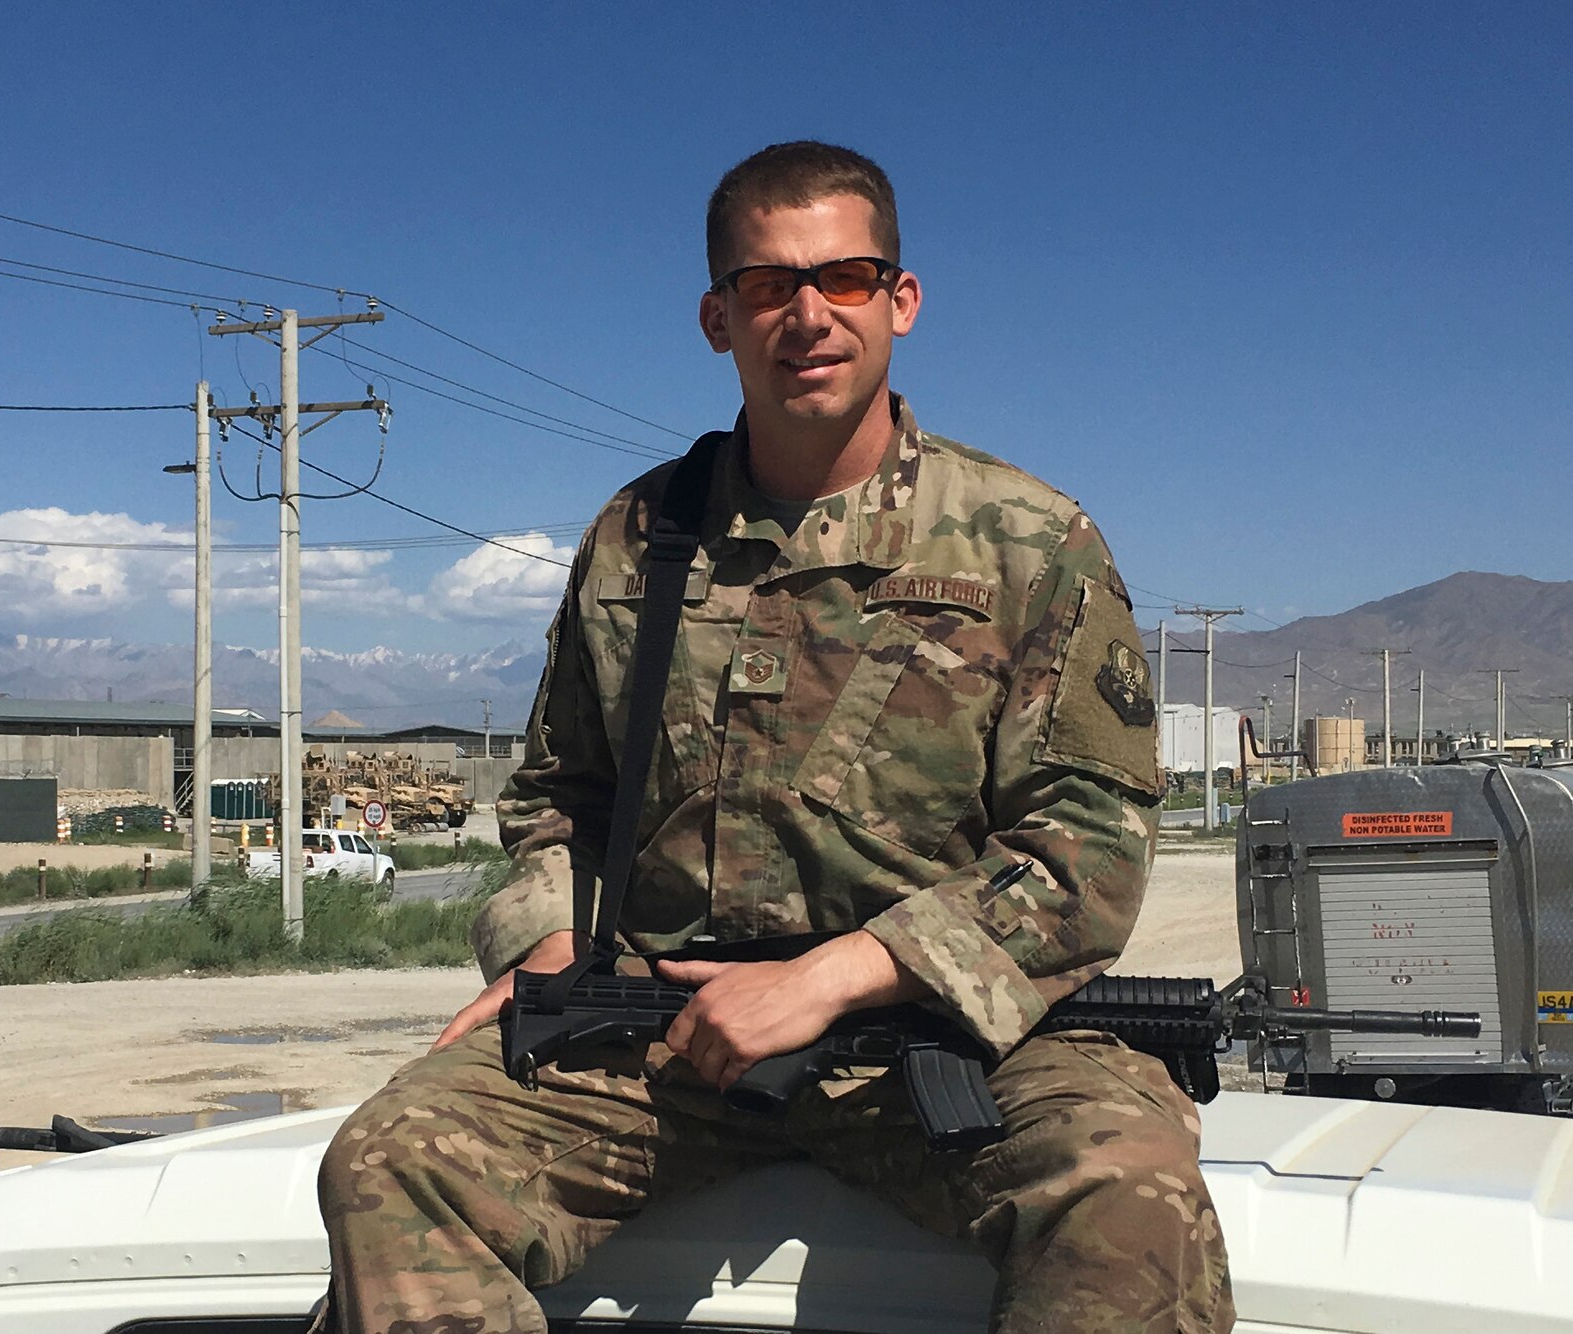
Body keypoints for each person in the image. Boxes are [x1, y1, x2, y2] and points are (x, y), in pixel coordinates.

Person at [315, 141, 1234, 1333]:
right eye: (766, 285)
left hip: (942, 1036)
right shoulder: (636, 539)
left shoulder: (1023, 540)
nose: (806, 313)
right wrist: (547, 951)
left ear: (897, 300)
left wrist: (830, 977)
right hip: (663, 1035)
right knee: (388, 1158)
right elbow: (557, 800)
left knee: (1126, 1187)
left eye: (842, 277)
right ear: (717, 317)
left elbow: (1089, 848)